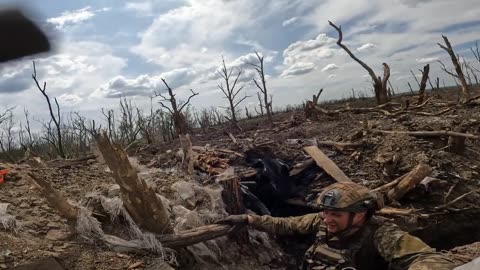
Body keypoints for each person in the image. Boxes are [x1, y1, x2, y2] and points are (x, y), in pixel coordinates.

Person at [218, 182, 460, 270]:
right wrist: (250, 220)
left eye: (335, 214)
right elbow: (286, 224)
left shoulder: (381, 233)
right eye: (324, 212)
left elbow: (429, 259)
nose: (326, 219)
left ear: (359, 215)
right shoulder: (321, 222)